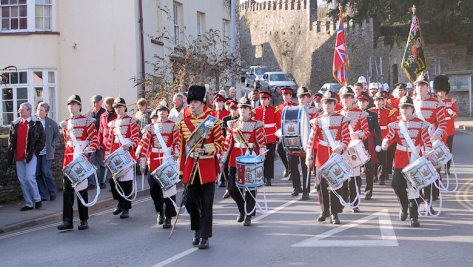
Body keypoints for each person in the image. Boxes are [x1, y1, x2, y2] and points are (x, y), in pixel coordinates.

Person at [177, 85, 225, 249]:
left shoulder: (212, 121)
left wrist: (208, 148)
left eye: (196, 101)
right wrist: (181, 170)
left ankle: (204, 236)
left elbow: (221, 145)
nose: (192, 104)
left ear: (203, 103)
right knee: (189, 202)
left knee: (206, 205)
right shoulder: (184, 123)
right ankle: (197, 228)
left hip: (207, 168)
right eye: (190, 101)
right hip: (191, 168)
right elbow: (183, 149)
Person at [381, 96, 432, 227]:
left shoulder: (421, 123)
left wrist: (427, 152)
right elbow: (389, 136)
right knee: (396, 185)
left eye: (407, 107)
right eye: (402, 108)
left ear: (412, 109)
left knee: (414, 188)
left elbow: (427, 141)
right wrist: (385, 142)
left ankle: (414, 217)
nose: (404, 110)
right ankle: (404, 206)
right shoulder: (395, 124)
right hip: (400, 159)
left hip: (415, 159)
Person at [305, 91, 350, 224]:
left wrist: (341, 146)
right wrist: (309, 157)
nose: (327, 105)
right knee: (320, 186)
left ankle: (335, 213)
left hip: (335, 156)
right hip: (321, 155)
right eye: (325, 103)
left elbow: (346, 138)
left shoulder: (342, 119)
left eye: (330, 103)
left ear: (334, 104)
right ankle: (324, 210)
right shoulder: (318, 120)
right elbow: (311, 140)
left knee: (335, 184)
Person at [220, 97, 266, 226]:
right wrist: (223, 160)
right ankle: (242, 209)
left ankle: (248, 214)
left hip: (251, 158)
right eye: (241, 107)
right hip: (235, 160)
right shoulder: (232, 124)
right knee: (232, 188)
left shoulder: (256, 124)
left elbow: (261, 142)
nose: (243, 110)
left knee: (250, 188)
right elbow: (227, 143)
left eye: (246, 107)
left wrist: (261, 158)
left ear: (249, 110)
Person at [58, 95, 98, 230]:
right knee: (67, 190)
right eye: (69, 104)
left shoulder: (88, 121)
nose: (71, 106)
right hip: (69, 159)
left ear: (80, 106)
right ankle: (67, 221)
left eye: (74, 104)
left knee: (81, 190)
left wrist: (88, 149)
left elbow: (94, 140)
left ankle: (83, 220)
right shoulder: (66, 123)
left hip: (81, 158)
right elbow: (66, 141)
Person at [137, 101, 179, 229]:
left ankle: (168, 217)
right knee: (154, 189)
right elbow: (145, 144)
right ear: (157, 112)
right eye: (160, 110)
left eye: (164, 110)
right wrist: (142, 162)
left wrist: (176, 151)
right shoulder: (150, 127)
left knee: (169, 189)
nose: (162, 112)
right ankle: (159, 211)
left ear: (167, 112)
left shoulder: (174, 126)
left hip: (167, 159)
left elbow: (177, 141)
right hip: (154, 160)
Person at [412, 74, 446, 205]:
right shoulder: (410, 102)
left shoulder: (435, 102)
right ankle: (417, 197)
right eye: (418, 85)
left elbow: (442, 123)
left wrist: (437, 134)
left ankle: (429, 199)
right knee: (416, 169)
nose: (420, 87)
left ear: (427, 87)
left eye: (422, 85)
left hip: (429, 139)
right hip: (414, 141)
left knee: (430, 170)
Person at [105, 97, 140, 219]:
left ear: (124, 107)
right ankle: (120, 202)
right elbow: (110, 141)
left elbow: (136, 138)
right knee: (113, 181)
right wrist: (107, 155)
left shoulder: (131, 121)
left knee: (126, 183)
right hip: (116, 155)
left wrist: (130, 146)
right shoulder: (113, 123)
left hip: (127, 154)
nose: (118, 109)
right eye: (116, 107)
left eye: (119, 107)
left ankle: (126, 208)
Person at [7, 102, 45, 211]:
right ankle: (29, 203)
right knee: (22, 181)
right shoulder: (16, 123)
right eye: (19, 109)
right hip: (19, 156)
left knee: (30, 178)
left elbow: (42, 140)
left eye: (22, 109)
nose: (20, 111)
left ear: (29, 111)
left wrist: (34, 153)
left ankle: (37, 199)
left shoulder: (36, 123)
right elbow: (11, 140)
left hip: (30, 156)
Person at [338, 86, 370, 213]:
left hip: (354, 150)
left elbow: (367, 131)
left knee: (355, 178)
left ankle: (355, 202)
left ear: (353, 99)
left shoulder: (360, 113)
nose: (345, 100)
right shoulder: (338, 114)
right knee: (343, 177)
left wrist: (358, 134)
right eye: (343, 97)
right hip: (341, 148)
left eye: (347, 97)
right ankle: (343, 201)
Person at [289, 87, 319, 200]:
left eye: (304, 97)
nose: (302, 99)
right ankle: (297, 187)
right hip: (294, 142)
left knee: (305, 167)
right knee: (292, 165)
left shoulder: (314, 111)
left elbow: (316, 127)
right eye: (300, 96)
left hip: (307, 143)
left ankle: (306, 191)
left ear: (308, 98)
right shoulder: (292, 109)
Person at [254, 88, 281, 186]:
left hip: (270, 138)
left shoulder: (274, 110)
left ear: (269, 100)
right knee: (260, 159)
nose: (263, 100)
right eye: (261, 98)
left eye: (265, 98)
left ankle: (268, 178)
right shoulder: (255, 111)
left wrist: (277, 137)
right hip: (260, 139)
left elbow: (278, 125)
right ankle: (261, 176)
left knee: (270, 159)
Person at [357, 93, 381, 200]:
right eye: (360, 101)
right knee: (355, 167)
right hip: (356, 142)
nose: (362, 103)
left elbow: (377, 130)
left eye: (364, 101)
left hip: (368, 142)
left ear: (367, 103)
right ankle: (355, 190)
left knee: (369, 168)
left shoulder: (373, 115)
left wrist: (378, 143)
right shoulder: (353, 114)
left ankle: (368, 191)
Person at [35, 102, 60, 201]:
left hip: (47, 152)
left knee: (46, 171)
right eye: (38, 110)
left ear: (46, 112)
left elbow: (57, 135)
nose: (39, 112)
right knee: (37, 173)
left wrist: (52, 144)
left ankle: (53, 192)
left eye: (41, 110)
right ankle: (43, 195)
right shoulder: (34, 122)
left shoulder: (51, 123)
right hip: (36, 153)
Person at [434, 75, 456, 174]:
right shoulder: (435, 102)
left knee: (448, 150)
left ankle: (447, 168)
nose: (441, 93)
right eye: (439, 91)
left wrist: (448, 109)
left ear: (445, 91)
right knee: (437, 150)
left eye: (443, 91)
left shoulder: (451, 102)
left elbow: (454, 114)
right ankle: (438, 167)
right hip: (438, 130)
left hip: (449, 129)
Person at [86, 95, 106, 189]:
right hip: (92, 142)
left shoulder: (104, 113)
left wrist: (101, 143)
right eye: (93, 102)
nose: (95, 104)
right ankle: (93, 182)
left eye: (97, 102)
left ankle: (102, 182)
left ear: (101, 102)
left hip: (101, 142)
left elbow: (104, 129)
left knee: (102, 163)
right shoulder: (88, 114)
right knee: (91, 162)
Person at [277, 87, 297, 179]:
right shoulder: (278, 108)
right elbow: (277, 122)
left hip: (293, 133)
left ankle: (292, 172)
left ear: (291, 96)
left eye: (288, 95)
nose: (286, 97)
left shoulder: (296, 106)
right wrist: (278, 135)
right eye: (284, 95)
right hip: (283, 134)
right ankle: (287, 167)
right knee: (280, 150)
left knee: (291, 153)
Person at [220, 100, 239, 195]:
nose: (233, 111)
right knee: (225, 165)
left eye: (235, 109)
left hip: (237, 145)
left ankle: (239, 187)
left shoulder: (241, 119)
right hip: (227, 144)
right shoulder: (225, 119)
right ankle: (228, 186)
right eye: (232, 109)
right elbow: (222, 133)